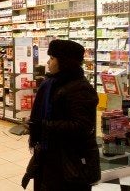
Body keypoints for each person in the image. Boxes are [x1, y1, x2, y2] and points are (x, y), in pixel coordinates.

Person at [21, 39, 100, 190]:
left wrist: (42, 125)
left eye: (51, 58)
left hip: (69, 163)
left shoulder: (80, 89)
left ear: (64, 61)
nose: (48, 62)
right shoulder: (53, 83)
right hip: (51, 157)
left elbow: (82, 126)